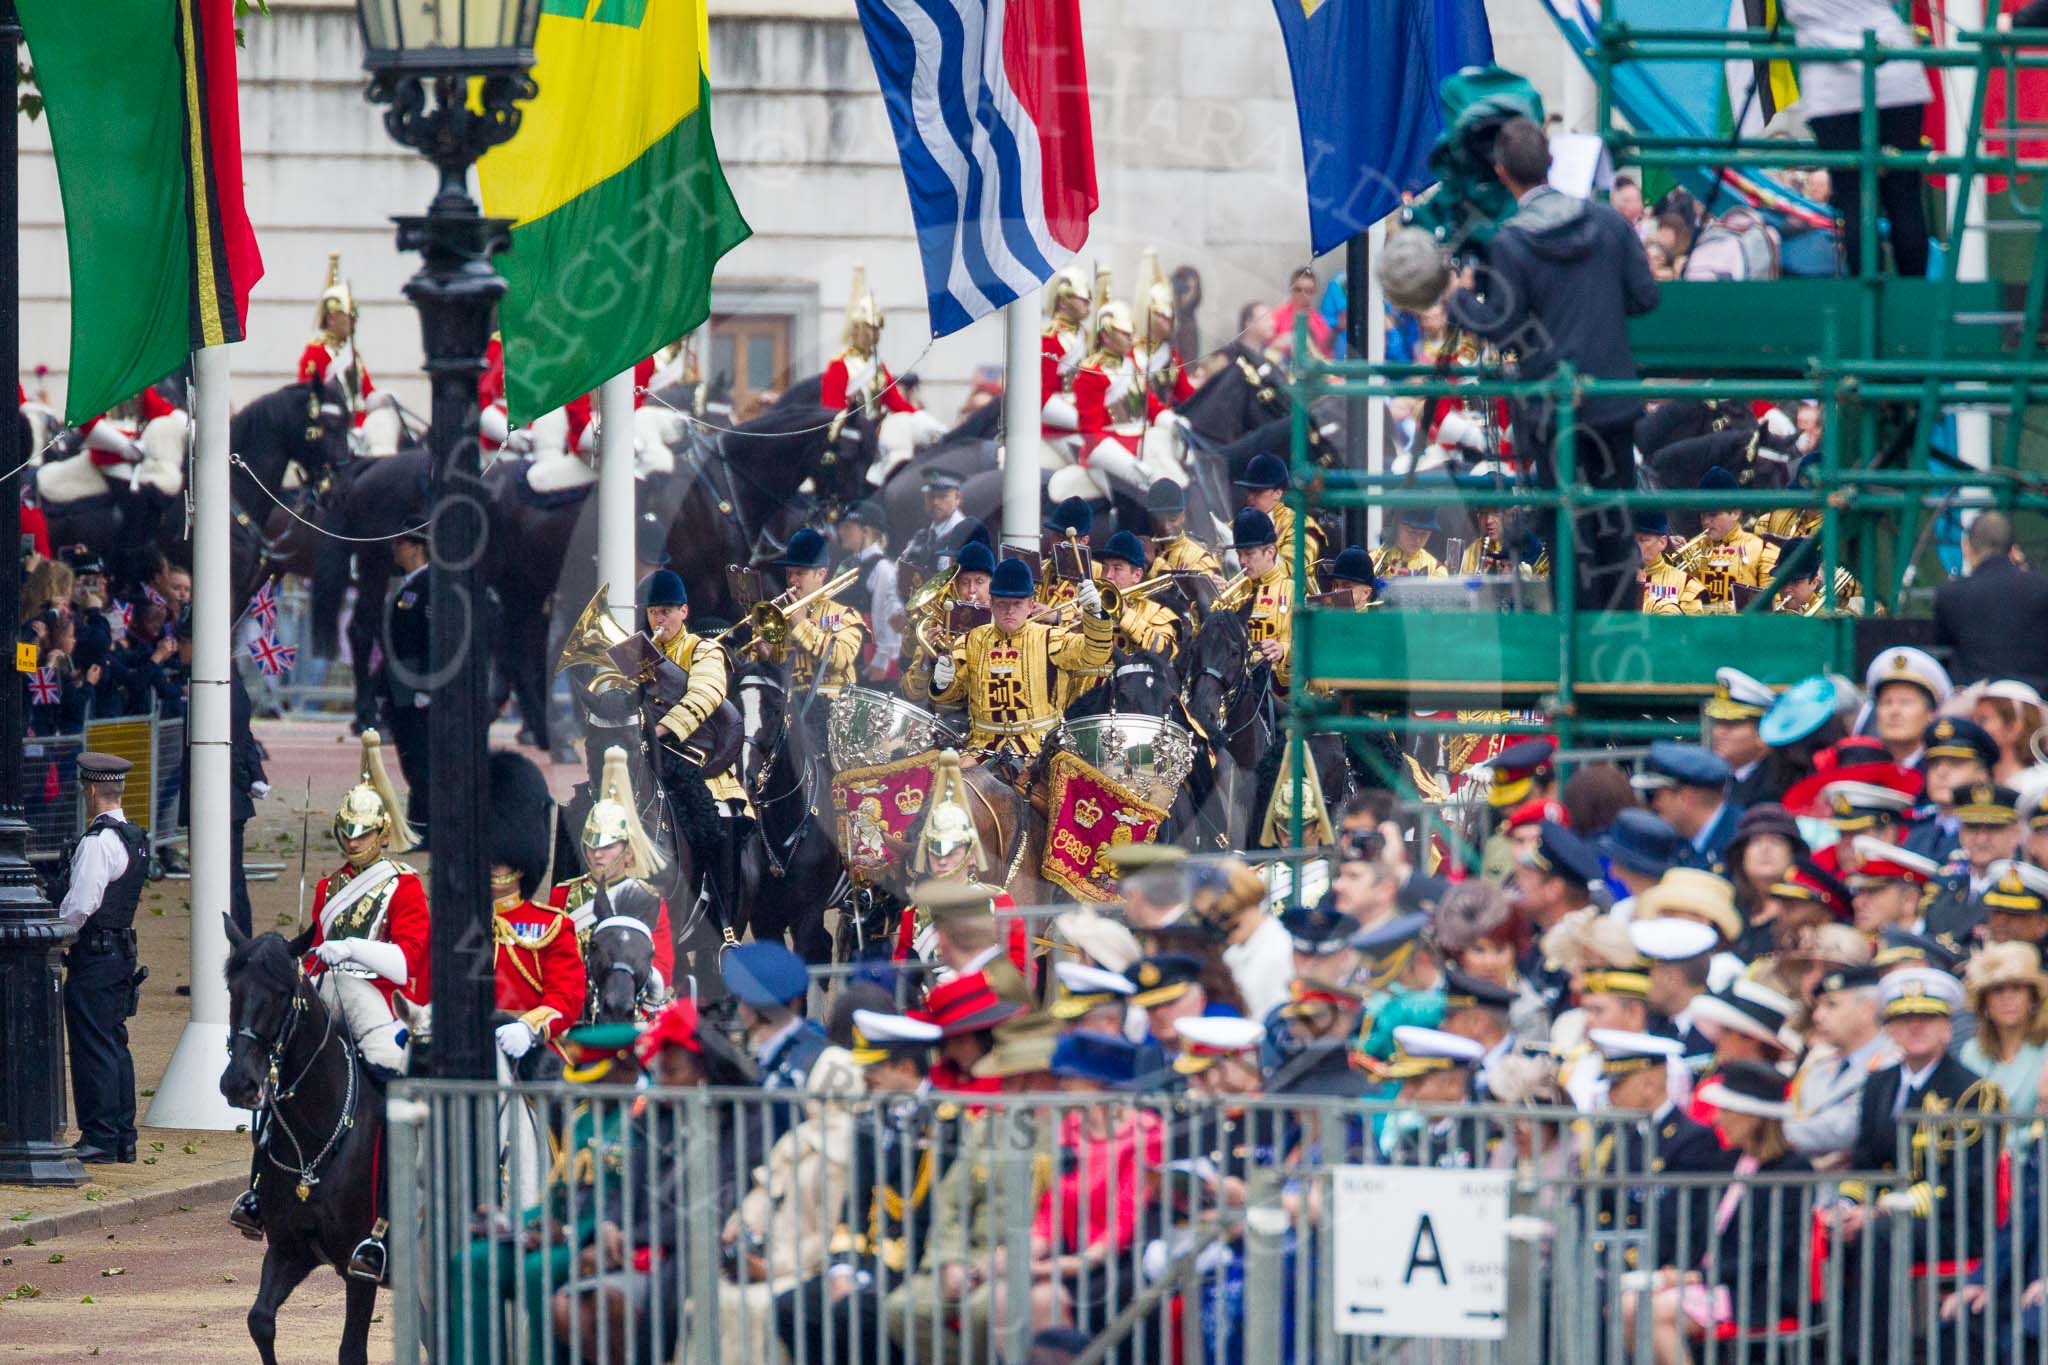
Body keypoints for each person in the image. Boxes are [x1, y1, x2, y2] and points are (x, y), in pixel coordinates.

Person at [1446, 116, 1659, 612]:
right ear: (1552, 162)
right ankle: (1620, 631)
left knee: (1567, 525)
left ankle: (1576, 649)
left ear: (1502, 173)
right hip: (1610, 401)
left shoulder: (1511, 242)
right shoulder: (1608, 223)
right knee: (1615, 518)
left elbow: (1502, 327)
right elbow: (1645, 296)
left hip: (1553, 410)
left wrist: (1459, 300)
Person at [231, 731, 429, 1241]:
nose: (353, 841)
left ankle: (397, 1195)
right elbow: (317, 945)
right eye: (347, 832)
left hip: (377, 999)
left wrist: (353, 950)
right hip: (325, 992)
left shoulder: (403, 885)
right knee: (277, 1066)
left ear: (383, 833)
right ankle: (259, 1188)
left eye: (362, 834)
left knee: (392, 1077)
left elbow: (406, 963)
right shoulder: (329, 887)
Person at [1832, 968, 2006, 1279]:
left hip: (1953, 1222)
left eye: (1927, 1018)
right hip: (1885, 1216)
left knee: (1878, 1234)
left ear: (1947, 1029)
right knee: (1832, 1231)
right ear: (1890, 1030)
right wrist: (1847, 1205)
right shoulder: (1878, 1084)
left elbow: (1965, 1180)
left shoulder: (1974, 1092)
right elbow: (1865, 1159)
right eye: (1904, 1019)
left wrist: (1883, 1209)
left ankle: (1876, 1329)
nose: (1915, 1026)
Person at [1632, 1060, 1814, 1357]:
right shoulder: (1728, 1162)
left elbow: (1769, 1252)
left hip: (1754, 1290)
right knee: (1627, 1305)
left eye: (1726, 1110)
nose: (1716, 1119)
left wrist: (1696, 1278)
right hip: (1710, 1285)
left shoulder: (1793, 1170)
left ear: (1753, 1117)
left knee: (1651, 1313)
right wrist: (1681, 1272)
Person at [1779, 0, 1930, 277]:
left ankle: (1868, 297)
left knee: (1854, 197)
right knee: (1905, 195)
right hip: (1894, 68)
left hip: (1831, 83)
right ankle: (1915, 299)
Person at [54, 753, 148, 1165]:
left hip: (94, 953)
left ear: (90, 790)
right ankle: (122, 1134)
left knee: (93, 1044)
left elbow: (80, 905)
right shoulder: (134, 836)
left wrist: (57, 938)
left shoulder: (97, 844)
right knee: (113, 1042)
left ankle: (100, 1136)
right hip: (120, 950)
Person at [928, 556, 1112, 758]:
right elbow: (951, 698)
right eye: (1002, 603)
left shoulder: (1050, 637)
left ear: (1031, 604)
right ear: (991, 603)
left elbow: (1095, 653)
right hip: (981, 748)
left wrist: (1095, 614)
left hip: (1040, 751)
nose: (1009, 610)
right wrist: (942, 683)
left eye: (1017, 603)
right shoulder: (971, 641)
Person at [487, 753, 588, 1067]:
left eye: (502, 859)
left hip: (527, 1047)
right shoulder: (454, 924)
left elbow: (566, 998)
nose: (494, 864)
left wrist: (529, 1028)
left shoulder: (551, 926)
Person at [549, 747, 676, 993]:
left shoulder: (647, 898)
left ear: (628, 852)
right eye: (591, 846)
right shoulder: (563, 895)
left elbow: (663, 967)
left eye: (607, 847)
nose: (597, 854)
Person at [1785, 964, 1893, 1164]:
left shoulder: (1891, 1062)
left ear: (1867, 1010)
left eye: (1831, 1005)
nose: (1818, 1016)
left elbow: (1849, 1127)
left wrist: (1780, 1133)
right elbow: (1793, 1111)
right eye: (1818, 1006)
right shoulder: (1817, 1065)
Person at [1934, 511, 2048, 693]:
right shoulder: (2043, 588)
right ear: (2013, 549)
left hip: (1977, 706)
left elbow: (1942, 650)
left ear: (1965, 547)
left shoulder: (1950, 594)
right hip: (2036, 705)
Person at [760, 527, 867, 700]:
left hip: (832, 709)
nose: (792, 580)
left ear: (821, 574)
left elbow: (841, 658)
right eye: (789, 573)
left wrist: (802, 625)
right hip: (790, 710)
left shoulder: (844, 614)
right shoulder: (778, 619)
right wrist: (766, 659)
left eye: (800, 573)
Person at [1958, 942, 2048, 1121]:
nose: (2007, 998)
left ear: (2033, 998)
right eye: (1997, 990)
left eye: (2016, 989)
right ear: (1984, 1003)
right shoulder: (1971, 1052)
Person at [380, 529, 432, 821]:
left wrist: (426, 687)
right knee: (410, 756)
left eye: (400, 543)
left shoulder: (429, 584)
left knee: (421, 756)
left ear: (416, 547)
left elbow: (431, 640)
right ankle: (419, 821)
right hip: (401, 683)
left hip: (417, 685)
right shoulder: (408, 583)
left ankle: (424, 824)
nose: (395, 549)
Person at [1631, 740, 1738, 869]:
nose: (1654, 805)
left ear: (1685, 797)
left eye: (1654, 795)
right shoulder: (1679, 840)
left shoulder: (1743, 843)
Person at [1224, 508, 1295, 693]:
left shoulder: (1293, 590)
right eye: (1239, 554)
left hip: (1278, 694)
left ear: (1270, 552)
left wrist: (1283, 649)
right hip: (1237, 690)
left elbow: (1310, 647)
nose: (1242, 561)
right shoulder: (1234, 593)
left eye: (1249, 554)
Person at [297, 253, 376, 418]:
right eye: (347, 317)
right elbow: (308, 395)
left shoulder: (352, 353)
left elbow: (367, 393)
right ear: (331, 319)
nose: (352, 322)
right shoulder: (316, 352)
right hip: (332, 425)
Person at [1232, 453, 1326, 586]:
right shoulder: (1237, 525)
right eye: (1249, 491)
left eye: (1257, 491)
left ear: (1278, 493)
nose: (1250, 497)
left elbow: (1292, 571)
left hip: (1290, 603)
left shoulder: (1302, 526)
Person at [1145, 477, 1222, 578]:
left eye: (1172, 519)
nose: (1166, 527)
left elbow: (1196, 592)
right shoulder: (1141, 551)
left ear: (1183, 516)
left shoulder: (1200, 557)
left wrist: (1155, 564)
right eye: (1159, 520)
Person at [1371, 508, 1448, 580]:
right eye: (1411, 532)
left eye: (1424, 534)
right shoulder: (1372, 560)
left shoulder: (1435, 567)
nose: (1418, 540)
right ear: (1396, 527)